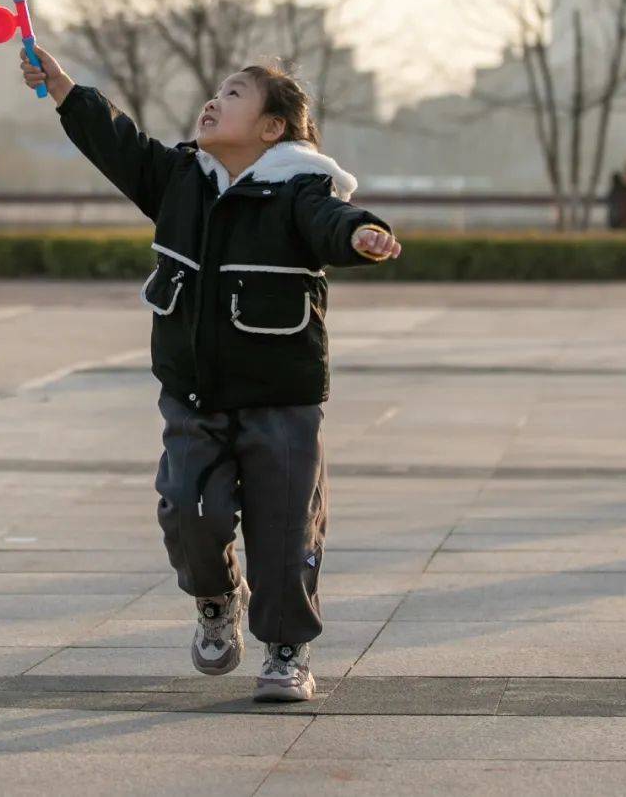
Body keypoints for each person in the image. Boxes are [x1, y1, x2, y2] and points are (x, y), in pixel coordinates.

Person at [20, 44, 400, 704]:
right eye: (216, 91)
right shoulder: (179, 178)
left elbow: (332, 221)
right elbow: (119, 143)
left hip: (282, 398)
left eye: (233, 94)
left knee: (286, 527)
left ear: (272, 127)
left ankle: (286, 647)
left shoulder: (301, 190)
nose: (214, 99)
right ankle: (216, 596)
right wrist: (62, 87)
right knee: (188, 507)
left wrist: (363, 233)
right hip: (193, 394)